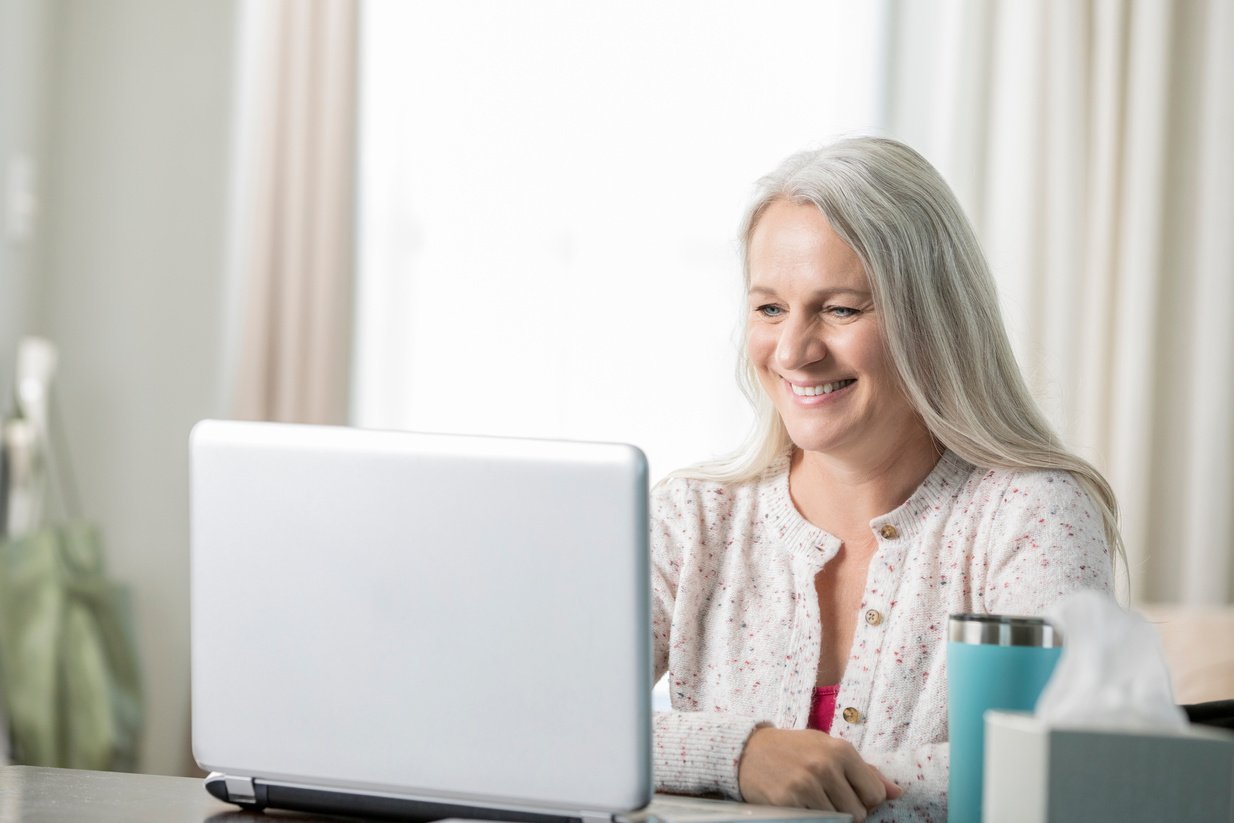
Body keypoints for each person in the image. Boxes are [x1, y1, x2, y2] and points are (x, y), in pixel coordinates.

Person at [649, 136, 1119, 822]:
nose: (794, 351)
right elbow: (548, 715)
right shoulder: (692, 517)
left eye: (840, 309)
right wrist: (740, 753)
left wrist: (806, 773)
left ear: (933, 320)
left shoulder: (1032, 512)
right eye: (770, 308)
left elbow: (1055, 764)